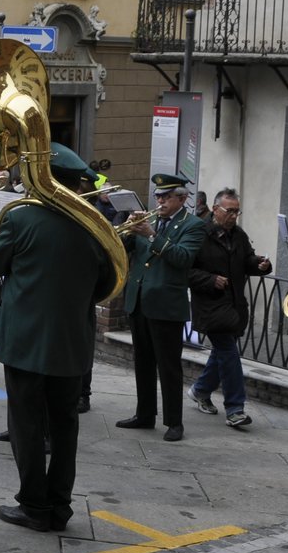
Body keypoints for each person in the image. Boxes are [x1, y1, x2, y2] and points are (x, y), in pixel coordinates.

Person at [0, 146, 117, 535]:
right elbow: (107, 283)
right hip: (72, 342)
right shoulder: (96, 226)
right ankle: (59, 505)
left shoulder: (21, 219)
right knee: (64, 427)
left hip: (25, 341)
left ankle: (34, 505)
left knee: (25, 425)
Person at [116, 173, 206, 441]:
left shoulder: (193, 225)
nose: (160, 201)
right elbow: (123, 248)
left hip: (166, 305)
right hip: (139, 300)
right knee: (142, 362)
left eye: (166, 196)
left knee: (168, 366)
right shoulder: (149, 219)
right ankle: (144, 414)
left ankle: (174, 422)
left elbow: (183, 258)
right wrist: (127, 229)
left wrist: (152, 235)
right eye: (157, 196)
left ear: (182, 198)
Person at [187, 188, 272, 430]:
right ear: (215, 210)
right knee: (229, 353)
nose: (234, 215)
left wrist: (261, 265)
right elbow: (185, 269)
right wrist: (211, 280)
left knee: (223, 352)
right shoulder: (198, 233)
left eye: (237, 211)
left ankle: (200, 390)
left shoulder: (239, 235)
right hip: (210, 305)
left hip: (234, 306)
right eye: (230, 211)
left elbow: (247, 261)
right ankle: (235, 409)